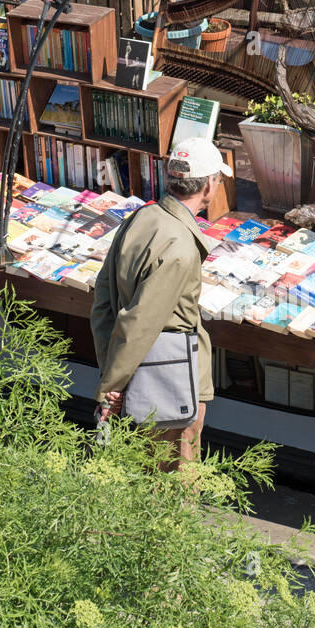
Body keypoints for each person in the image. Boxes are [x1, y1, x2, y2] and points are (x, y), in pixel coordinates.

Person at [90, 136, 230, 467]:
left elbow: (104, 302)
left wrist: (109, 374)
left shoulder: (141, 217)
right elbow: (140, 322)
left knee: (141, 473)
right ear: (209, 185)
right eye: (219, 180)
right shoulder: (180, 248)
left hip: (134, 373)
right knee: (174, 480)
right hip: (170, 380)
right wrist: (112, 388)